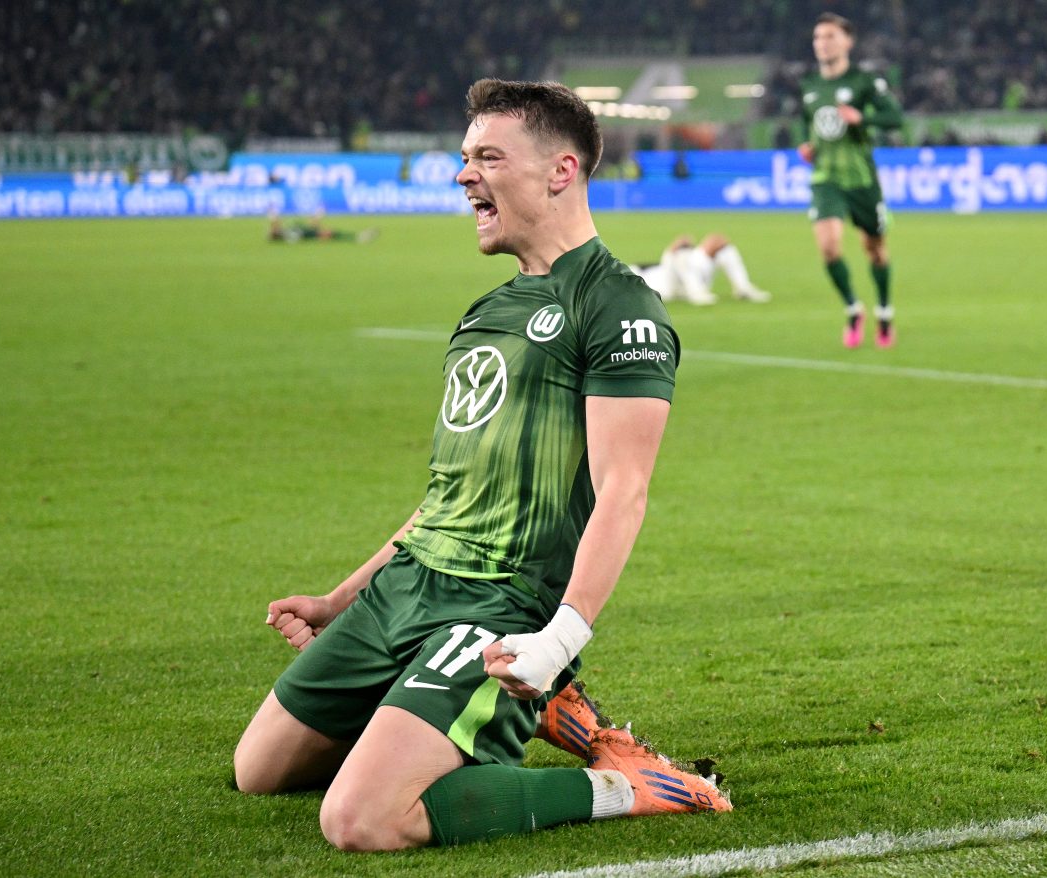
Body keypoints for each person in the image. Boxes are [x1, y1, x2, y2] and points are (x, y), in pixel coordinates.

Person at [233, 78, 732, 852]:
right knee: (259, 770)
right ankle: (497, 710)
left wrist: (558, 640)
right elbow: (449, 494)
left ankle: (626, 785)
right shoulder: (486, 312)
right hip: (406, 588)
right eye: (465, 157)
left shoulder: (617, 307)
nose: (463, 174)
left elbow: (623, 492)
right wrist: (342, 597)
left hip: (496, 607)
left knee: (361, 819)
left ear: (559, 172)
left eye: (487, 157)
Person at [797, 12, 904, 348]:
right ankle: (853, 309)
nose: (822, 43)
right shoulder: (810, 86)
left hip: (861, 179)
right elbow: (806, 121)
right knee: (829, 247)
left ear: (847, 42)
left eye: (829, 36)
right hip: (826, 178)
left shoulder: (864, 81)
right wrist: (807, 144)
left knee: (875, 251)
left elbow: (895, 117)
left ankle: (884, 312)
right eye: (817, 37)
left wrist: (862, 117)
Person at [629, 234, 771, 306]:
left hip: (690, 274)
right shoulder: (631, 276)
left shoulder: (632, 270)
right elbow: (669, 260)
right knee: (681, 252)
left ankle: (743, 288)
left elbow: (667, 263)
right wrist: (675, 248)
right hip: (669, 288)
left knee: (725, 248)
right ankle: (696, 293)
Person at [267, 209, 378, 244]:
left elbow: (275, 229)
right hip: (310, 233)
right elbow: (312, 228)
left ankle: (358, 236)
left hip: (308, 233)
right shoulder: (287, 234)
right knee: (332, 233)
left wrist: (274, 218)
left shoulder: (286, 233)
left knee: (332, 232)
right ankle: (358, 237)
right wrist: (274, 218)